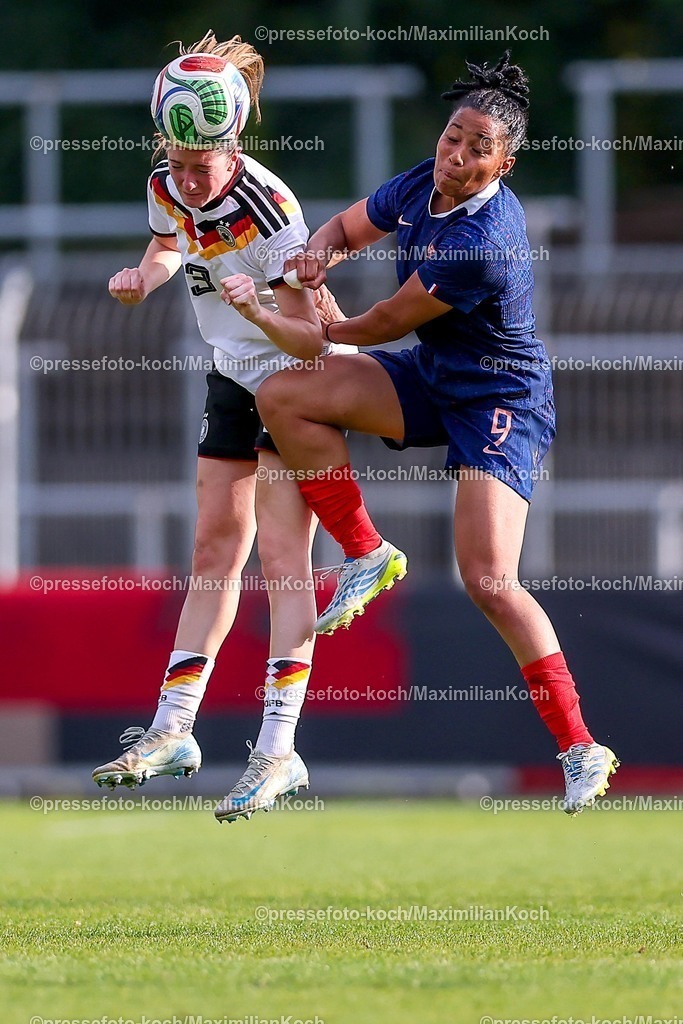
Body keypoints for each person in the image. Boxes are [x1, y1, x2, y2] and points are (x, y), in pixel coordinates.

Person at [252, 52, 619, 816]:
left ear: (503, 164)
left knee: (487, 580)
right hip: (432, 374)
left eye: (477, 148)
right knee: (284, 397)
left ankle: (579, 745)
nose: (456, 155)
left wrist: (323, 324)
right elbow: (344, 227)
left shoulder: (483, 240)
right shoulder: (422, 180)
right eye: (453, 136)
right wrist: (315, 259)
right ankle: (366, 551)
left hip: (499, 397)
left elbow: (384, 320)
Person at [91, 30, 356, 824]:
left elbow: (308, 334)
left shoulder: (271, 207)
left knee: (282, 560)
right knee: (213, 549)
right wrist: (146, 277)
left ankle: (278, 749)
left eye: (198, 167)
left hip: (294, 381)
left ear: (231, 146)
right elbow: (168, 241)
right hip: (232, 373)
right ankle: (173, 729)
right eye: (174, 163)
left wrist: (258, 310)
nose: (184, 179)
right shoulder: (168, 183)